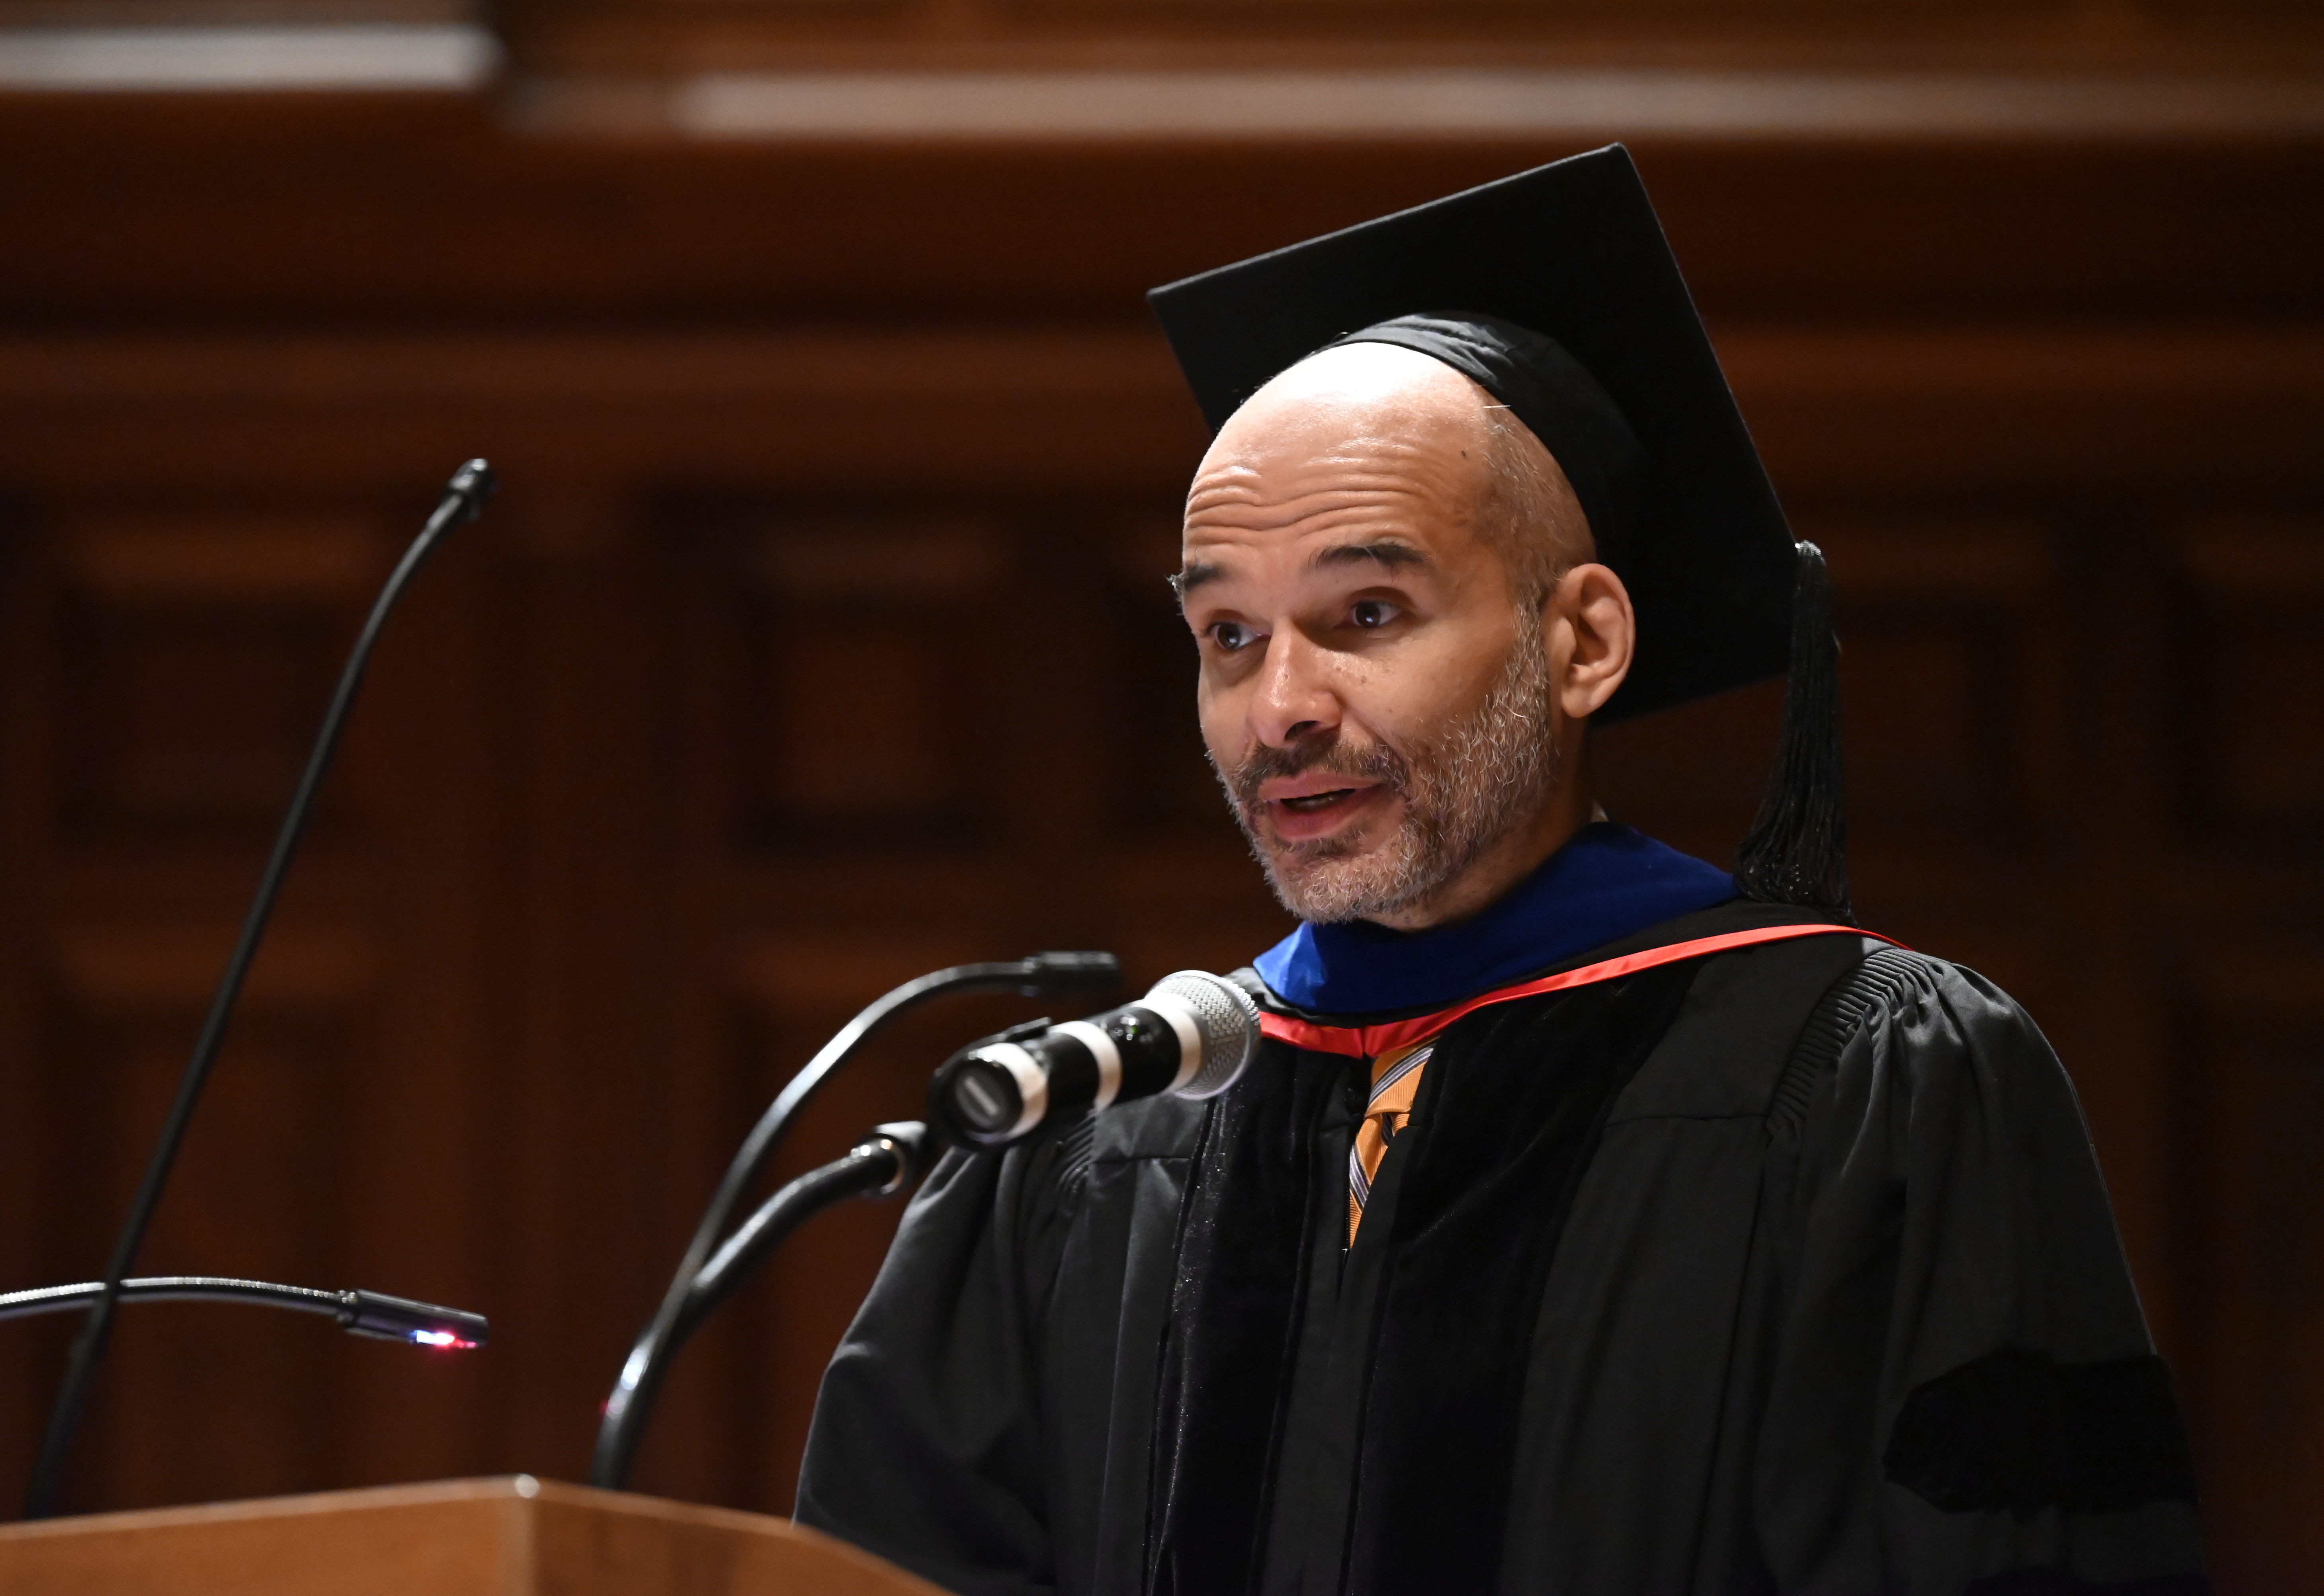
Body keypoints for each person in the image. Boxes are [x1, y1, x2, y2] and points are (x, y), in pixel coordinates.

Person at [794, 145, 2206, 1596]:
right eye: (1228, 634)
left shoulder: (1865, 1084)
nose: (1280, 703)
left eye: (1368, 609)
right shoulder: (1092, 1131)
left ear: (1581, 641)